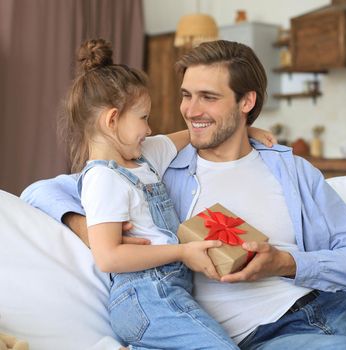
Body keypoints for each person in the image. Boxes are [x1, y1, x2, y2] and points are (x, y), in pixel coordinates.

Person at [23, 40, 346, 349]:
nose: (190, 111)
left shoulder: (292, 169)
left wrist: (285, 263)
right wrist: (94, 231)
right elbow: (45, 190)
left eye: (208, 98)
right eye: (184, 96)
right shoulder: (156, 162)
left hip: (334, 305)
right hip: (260, 335)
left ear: (247, 103)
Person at [54, 38, 274, 350]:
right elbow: (108, 256)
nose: (149, 127)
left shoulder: (143, 155)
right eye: (143, 117)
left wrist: (243, 127)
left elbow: (191, 134)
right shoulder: (103, 179)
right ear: (112, 119)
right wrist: (183, 252)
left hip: (170, 292)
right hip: (144, 297)